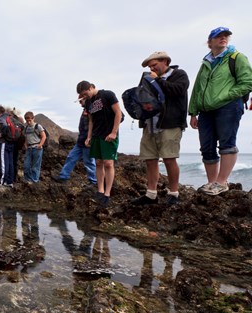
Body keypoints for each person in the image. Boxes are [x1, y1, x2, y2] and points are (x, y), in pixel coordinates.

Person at [189, 27, 252, 195]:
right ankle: (212, 183)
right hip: (205, 110)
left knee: (227, 144)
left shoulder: (236, 57)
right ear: (210, 42)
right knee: (207, 147)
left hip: (229, 106)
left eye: (226, 36)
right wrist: (193, 111)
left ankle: (222, 182)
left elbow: (247, 82)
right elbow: (197, 88)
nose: (223, 38)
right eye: (218, 36)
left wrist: (226, 96)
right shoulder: (206, 62)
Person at [131, 51, 189, 205]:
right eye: (150, 67)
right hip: (149, 123)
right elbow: (141, 97)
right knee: (150, 160)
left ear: (165, 61)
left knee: (169, 158)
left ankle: (174, 193)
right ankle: (151, 194)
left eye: (154, 65)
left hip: (170, 123)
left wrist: (158, 81)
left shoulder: (179, 74)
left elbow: (178, 91)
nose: (152, 69)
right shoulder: (147, 77)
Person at [77, 81, 122, 207]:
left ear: (91, 87)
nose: (84, 97)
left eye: (85, 93)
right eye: (82, 95)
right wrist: (89, 137)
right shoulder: (88, 103)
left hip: (108, 135)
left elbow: (118, 113)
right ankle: (100, 190)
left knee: (108, 163)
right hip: (96, 135)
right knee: (98, 163)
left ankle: (107, 193)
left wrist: (114, 132)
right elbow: (91, 120)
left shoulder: (107, 95)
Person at [53, 99, 97, 185]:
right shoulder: (85, 110)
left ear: (85, 99)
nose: (80, 104)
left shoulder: (92, 110)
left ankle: (94, 181)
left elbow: (93, 125)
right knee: (71, 157)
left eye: (81, 102)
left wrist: (90, 139)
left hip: (88, 142)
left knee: (89, 162)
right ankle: (63, 176)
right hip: (80, 141)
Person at [0, 105, 15, 188]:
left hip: (4, 143)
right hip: (11, 142)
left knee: (3, 163)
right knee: (10, 162)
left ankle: (2, 182)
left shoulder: (2, 118)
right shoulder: (10, 117)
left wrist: (1, 134)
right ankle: (10, 181)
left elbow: (5, 128)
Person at [22, 111, 46, 183]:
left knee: (35, 166)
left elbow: (44, 136)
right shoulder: (26, 128)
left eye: (30, 120)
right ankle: (27, 180)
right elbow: (27, 137)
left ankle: (34, 181)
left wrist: (40, 145)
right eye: (27, 121)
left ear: (33, 118)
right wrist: (25, 144)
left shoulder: (38, 126)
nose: (28, 122)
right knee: (26, 165)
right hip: (29, 149)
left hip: (37, 148)